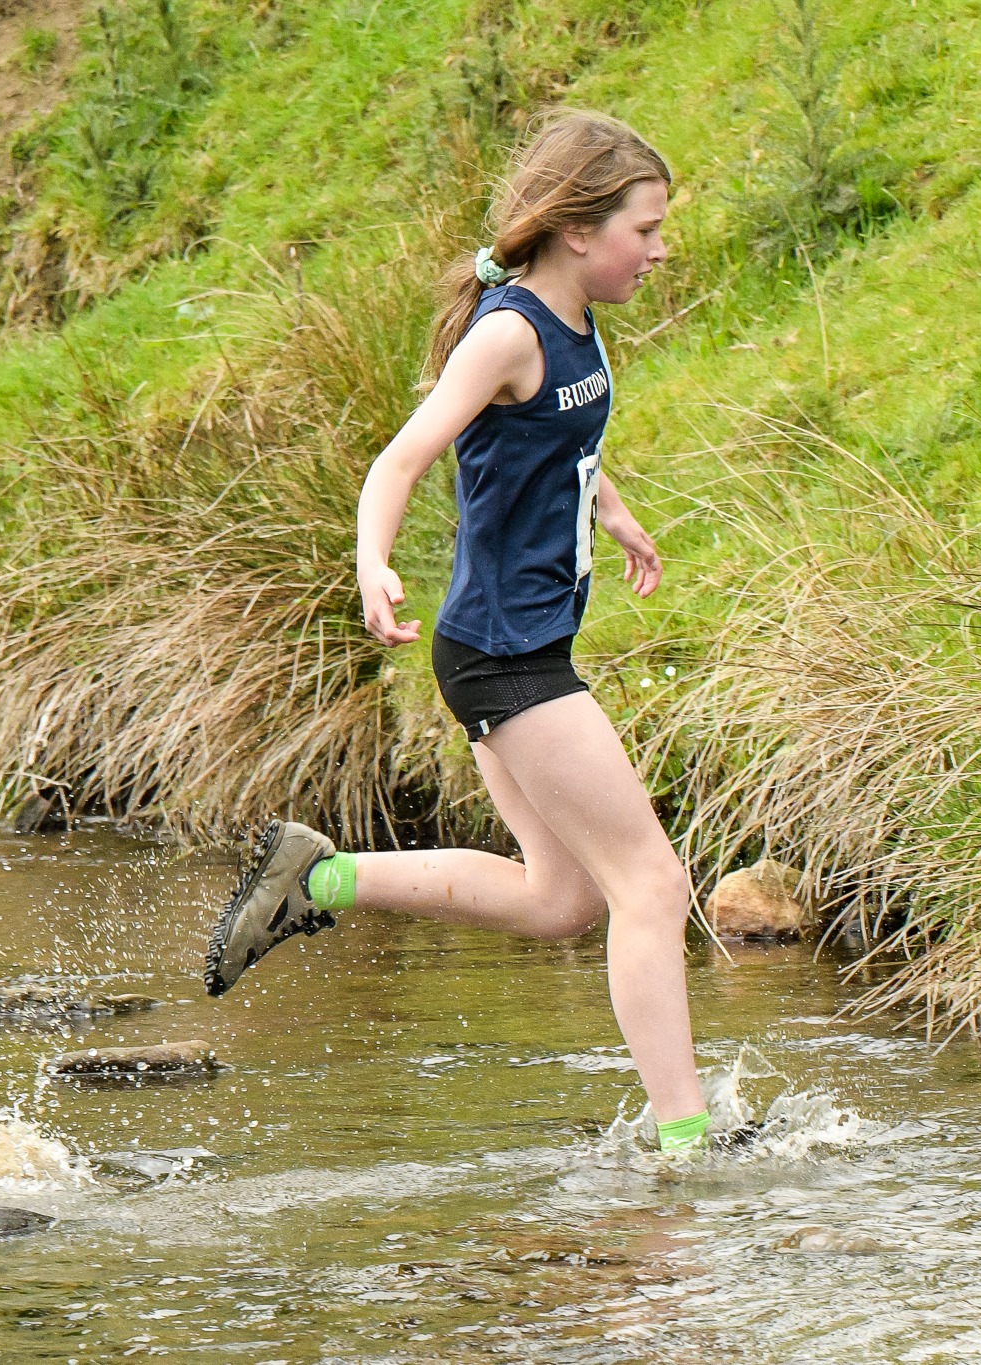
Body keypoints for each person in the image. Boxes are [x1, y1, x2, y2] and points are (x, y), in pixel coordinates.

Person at [206, 111, 709, 1154]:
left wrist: (606, 505)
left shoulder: (569, 322)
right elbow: (399, 460)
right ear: (578, 228)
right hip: (505, 655)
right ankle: (687, 1148)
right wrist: (370, 561)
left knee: (558, 901)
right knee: (651, 885)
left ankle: (318, 879)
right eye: (645, 229)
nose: (660, 251)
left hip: (518, 646)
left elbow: (549, 432)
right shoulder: (509, 330)